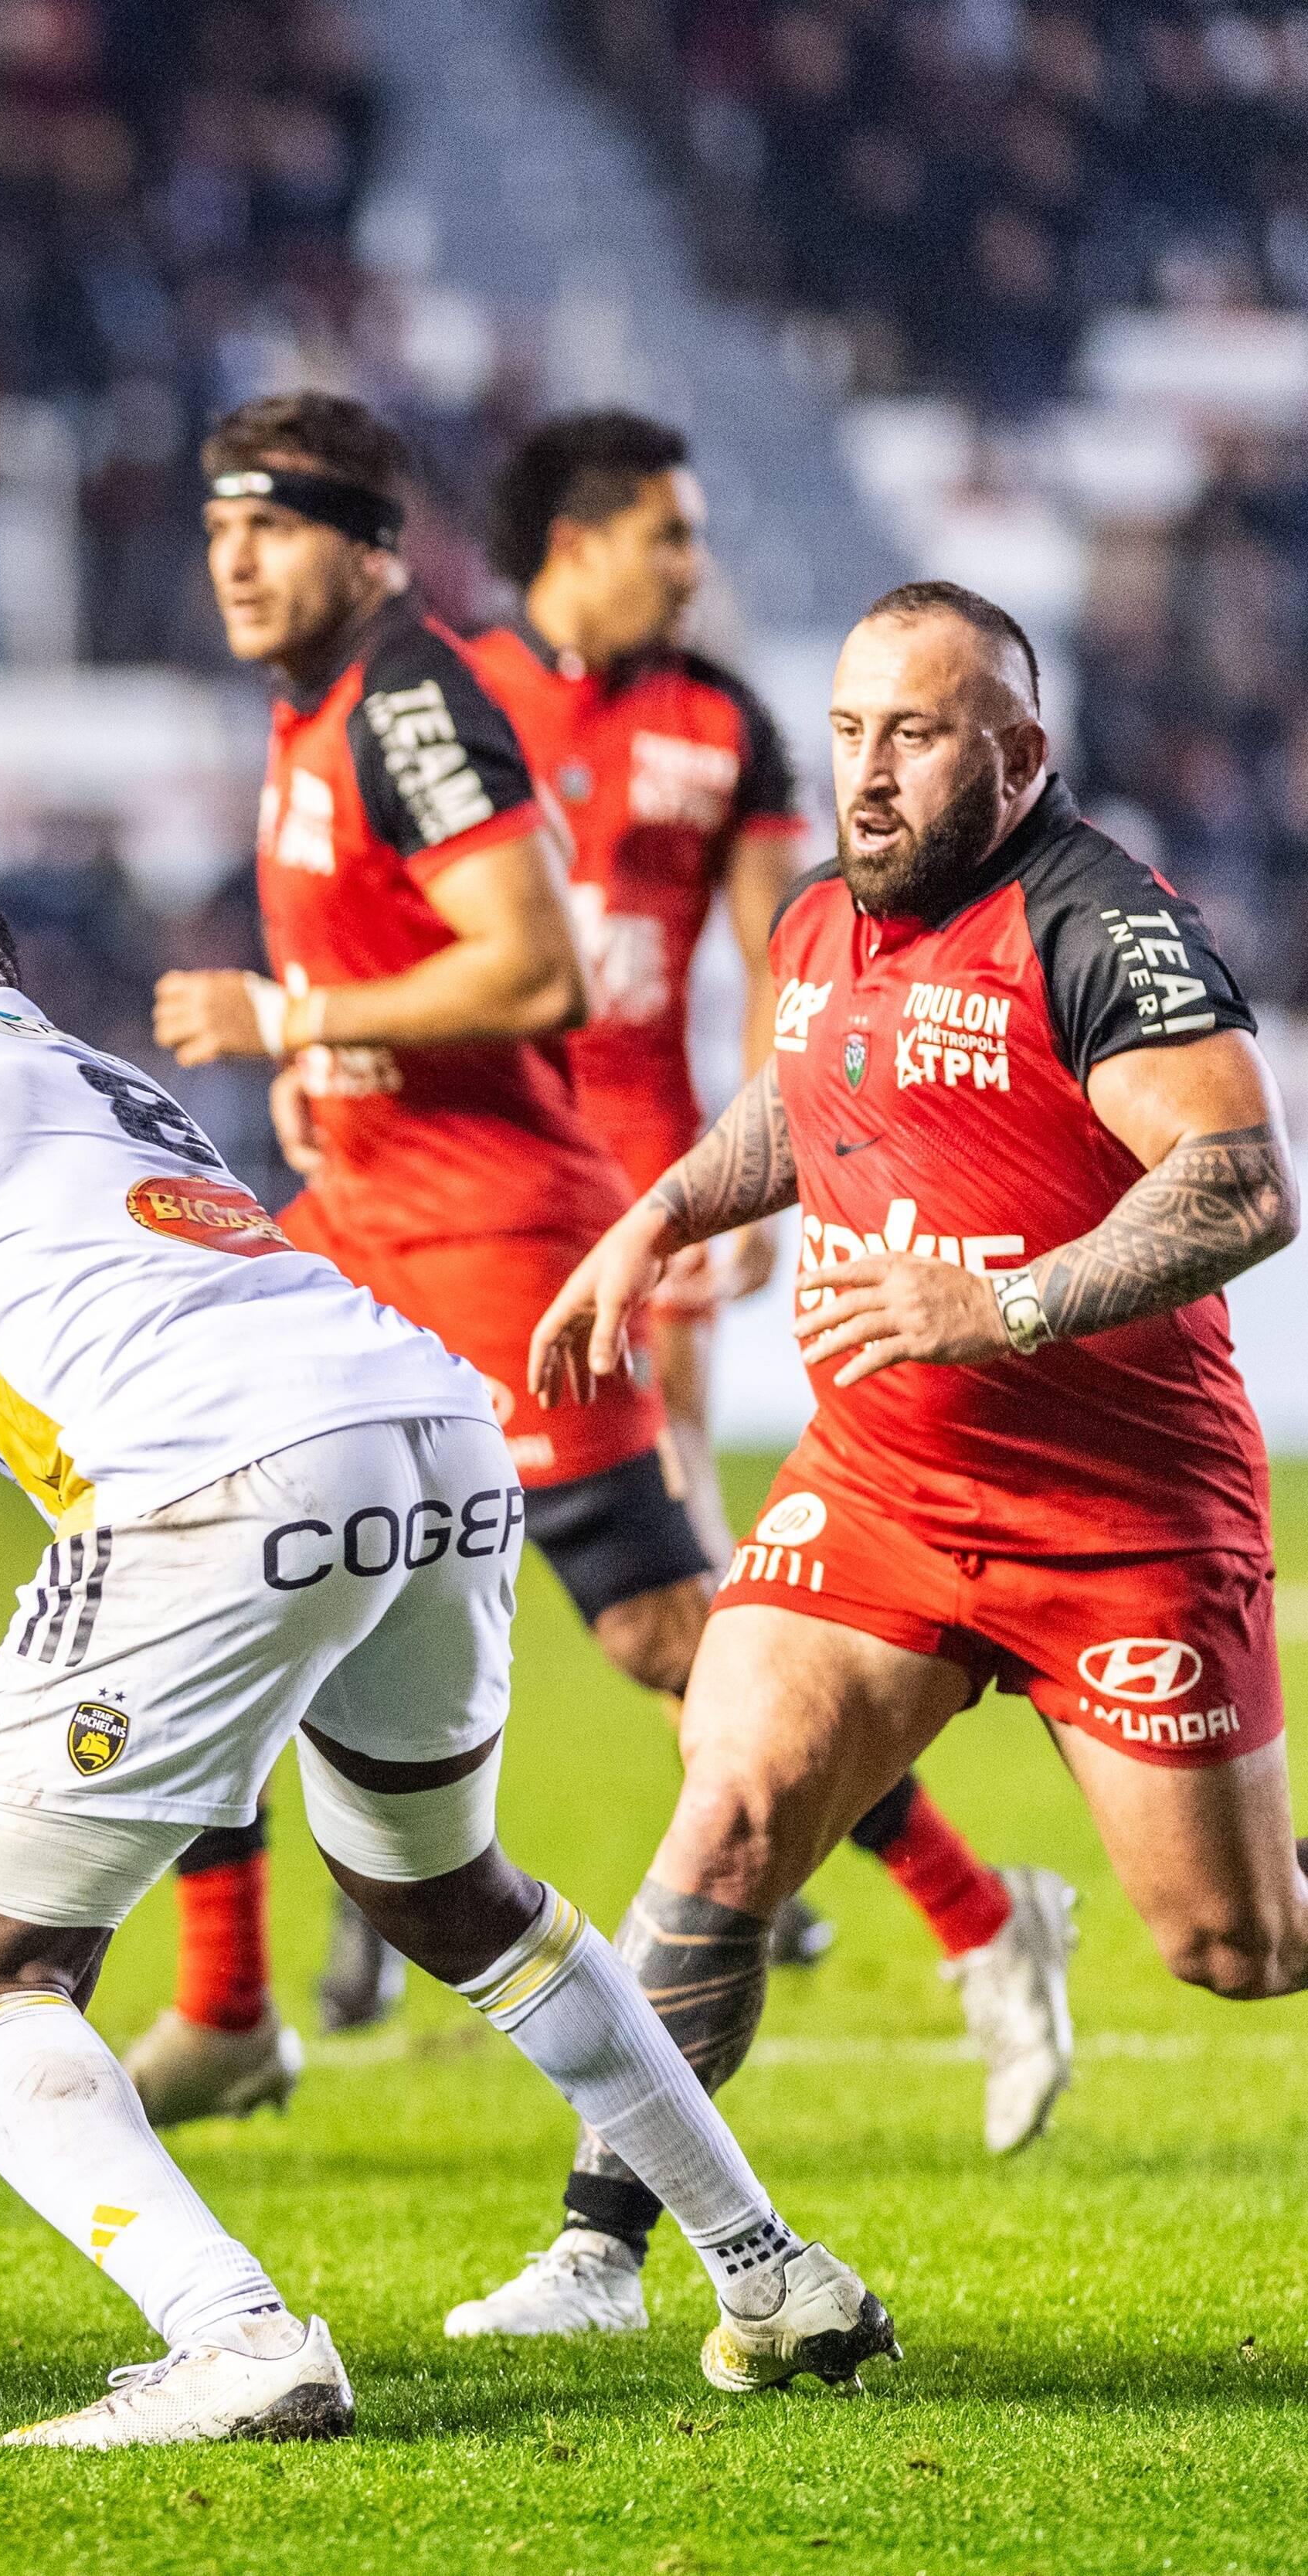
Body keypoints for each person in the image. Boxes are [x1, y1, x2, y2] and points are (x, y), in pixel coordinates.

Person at [0, 874, 893, 2444]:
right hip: (426, 1430)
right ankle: (768, 2267)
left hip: (215, 1480)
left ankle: (235, 2336)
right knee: (446, 1886)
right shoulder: (99, 1082)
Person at [141, 392, 1045, 2144]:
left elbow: (575, 962)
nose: (231, 558)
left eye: (267, 524)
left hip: (518, 1225)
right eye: (216, 526)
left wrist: (290, 1017)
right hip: (367, 1217)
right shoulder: (350, 694)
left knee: (665, 1622)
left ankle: (981, 1913)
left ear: (365, 543)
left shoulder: (437, 700)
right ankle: (232, 1990)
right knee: (185, 1519)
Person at [457, 581, 1300, 2339]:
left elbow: (1237, 1182)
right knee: (736, 1792)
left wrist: (993, 1303)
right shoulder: (826, 916)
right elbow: (795, 1088)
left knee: (1237, 1949)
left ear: (1016, 751)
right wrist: (660, 1215)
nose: (869, 774)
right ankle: (603, 2249)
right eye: (847, 732)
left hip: (1120, 1516)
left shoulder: (1099, 924)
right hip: (885, 1488)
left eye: (912, 735)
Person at [458, 411, 1056, 2125]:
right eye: (665, 532)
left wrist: (771, 1184)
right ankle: (323, 1933)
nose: (692, 563)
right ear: (572, 538)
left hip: (639, 1194)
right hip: (464, 1187)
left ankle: (911, 1897)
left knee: (677, 1619)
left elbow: (795, 971)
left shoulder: (720, 722)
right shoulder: (456, 696)